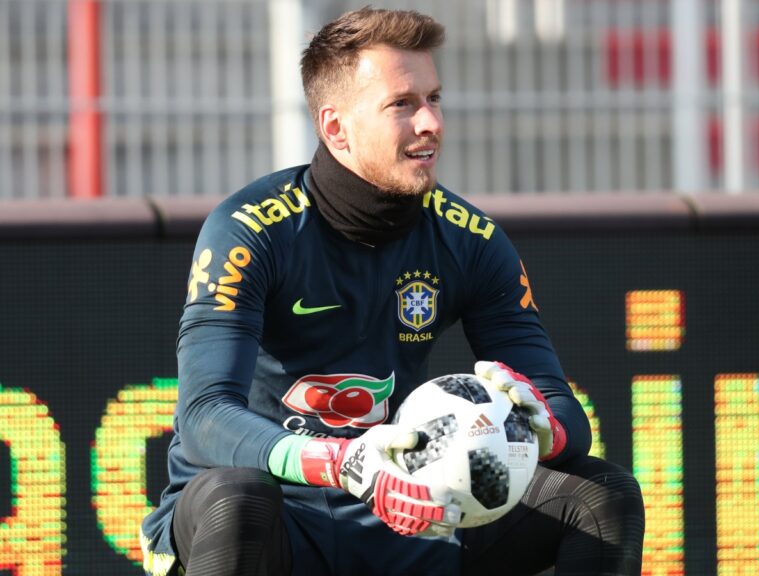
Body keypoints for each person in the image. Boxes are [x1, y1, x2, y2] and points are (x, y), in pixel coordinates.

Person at [140, 7, 644, 576]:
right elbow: (205, 416)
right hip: (277, 515)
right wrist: (341, 460)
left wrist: (545, 428)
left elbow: (559, 405)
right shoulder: (247, 229)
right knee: (238, 500)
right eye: (402, 104)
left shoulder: (474, 239)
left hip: (404, 508)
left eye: (434, 98)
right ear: (336, 128)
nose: (430, 123)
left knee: (602, 495)